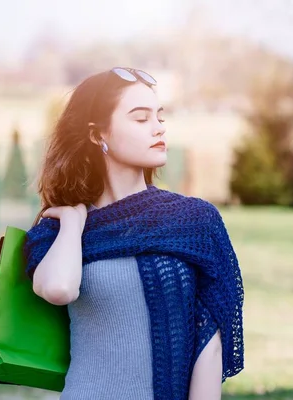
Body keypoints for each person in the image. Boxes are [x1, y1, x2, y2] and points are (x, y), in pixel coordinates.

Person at [23, 67, 244, 400]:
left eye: (159, 117)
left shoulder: (192, 222)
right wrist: (72, 226)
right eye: (141, 119)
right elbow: (58, 288)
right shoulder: (55, 231)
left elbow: (210, 344)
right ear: (98, 135)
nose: (157, 128)